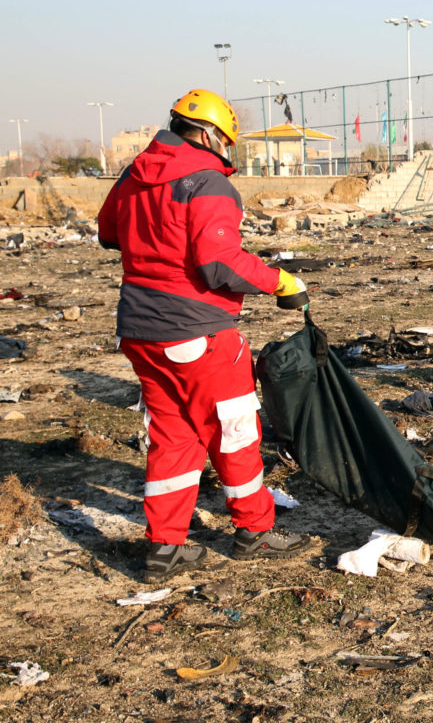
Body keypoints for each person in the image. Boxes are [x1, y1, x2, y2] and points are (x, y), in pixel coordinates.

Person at [98, 89, 313, 582]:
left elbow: (108, 233)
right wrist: (282, 281)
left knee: (173, 436)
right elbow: (220, 264)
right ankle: (255, 530)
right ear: (213, 135)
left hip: (140, 331)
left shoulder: (134, 174)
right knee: (234, 431)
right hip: (199, 332)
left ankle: (165, 547)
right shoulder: (208, 183)